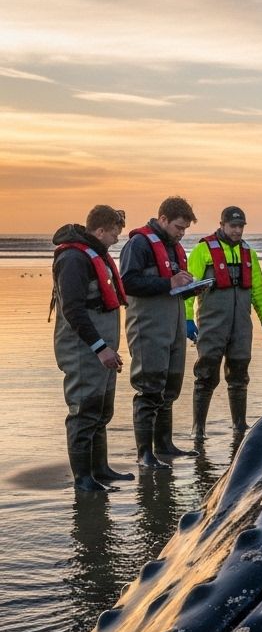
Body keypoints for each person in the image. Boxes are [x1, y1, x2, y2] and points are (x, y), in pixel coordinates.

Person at [50, 205, 131, 492]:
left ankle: (100, 469)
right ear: (99, 230)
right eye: (114, 233)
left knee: (101, 410)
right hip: (83, 350)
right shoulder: (73, 259)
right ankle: (83, 479)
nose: (117, 239)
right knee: (85, 410)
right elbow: (73, 310)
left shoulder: (95, 254)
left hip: (102, 349)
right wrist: (100, 348)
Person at [119, 196, 199, 468]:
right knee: (149, 386)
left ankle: (164, 445)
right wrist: (169, 283)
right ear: (163, 219)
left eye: (185, 229)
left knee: (170, 387)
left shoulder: (173, 247)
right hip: (148, 325)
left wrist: (190, 286)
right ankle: (144, 453)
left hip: (173, 324)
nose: (182, 233)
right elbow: (127, 282)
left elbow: (172, 283)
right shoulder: (139, 244)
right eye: (178, 227)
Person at [185, 206, 262, 441]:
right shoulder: (203, 250)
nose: (237, 231)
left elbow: (258, 291)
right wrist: (187, 318)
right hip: (212, 325)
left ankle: (239, 425)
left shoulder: (249, 254)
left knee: (239, 375)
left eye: (240, 226)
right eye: (233, 226)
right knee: (206, 375)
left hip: (241, 327)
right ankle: (198, 428)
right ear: (222, 225)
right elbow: (189, 288)